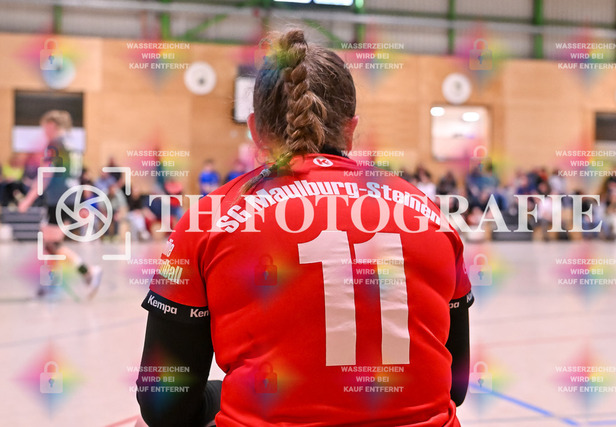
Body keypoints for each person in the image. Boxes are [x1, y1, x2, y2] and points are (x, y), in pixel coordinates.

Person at [137, 30, 473, 427]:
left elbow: (164, 405)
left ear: (255, 129)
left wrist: (231, 391)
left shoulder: (211, 217)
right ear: (351, 129)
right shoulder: (430, 213)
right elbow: (455, 387)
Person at [18, 110, 102, 298]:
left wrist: (27, 200)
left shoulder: (54, 145)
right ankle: (51, 282)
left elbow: (46, 175)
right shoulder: (73, 146)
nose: (44, 132)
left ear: (53, 126)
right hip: (69, 198)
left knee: (52, 245)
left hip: (58, 200)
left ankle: (88, 272)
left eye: (45, 127)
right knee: (49, 244)